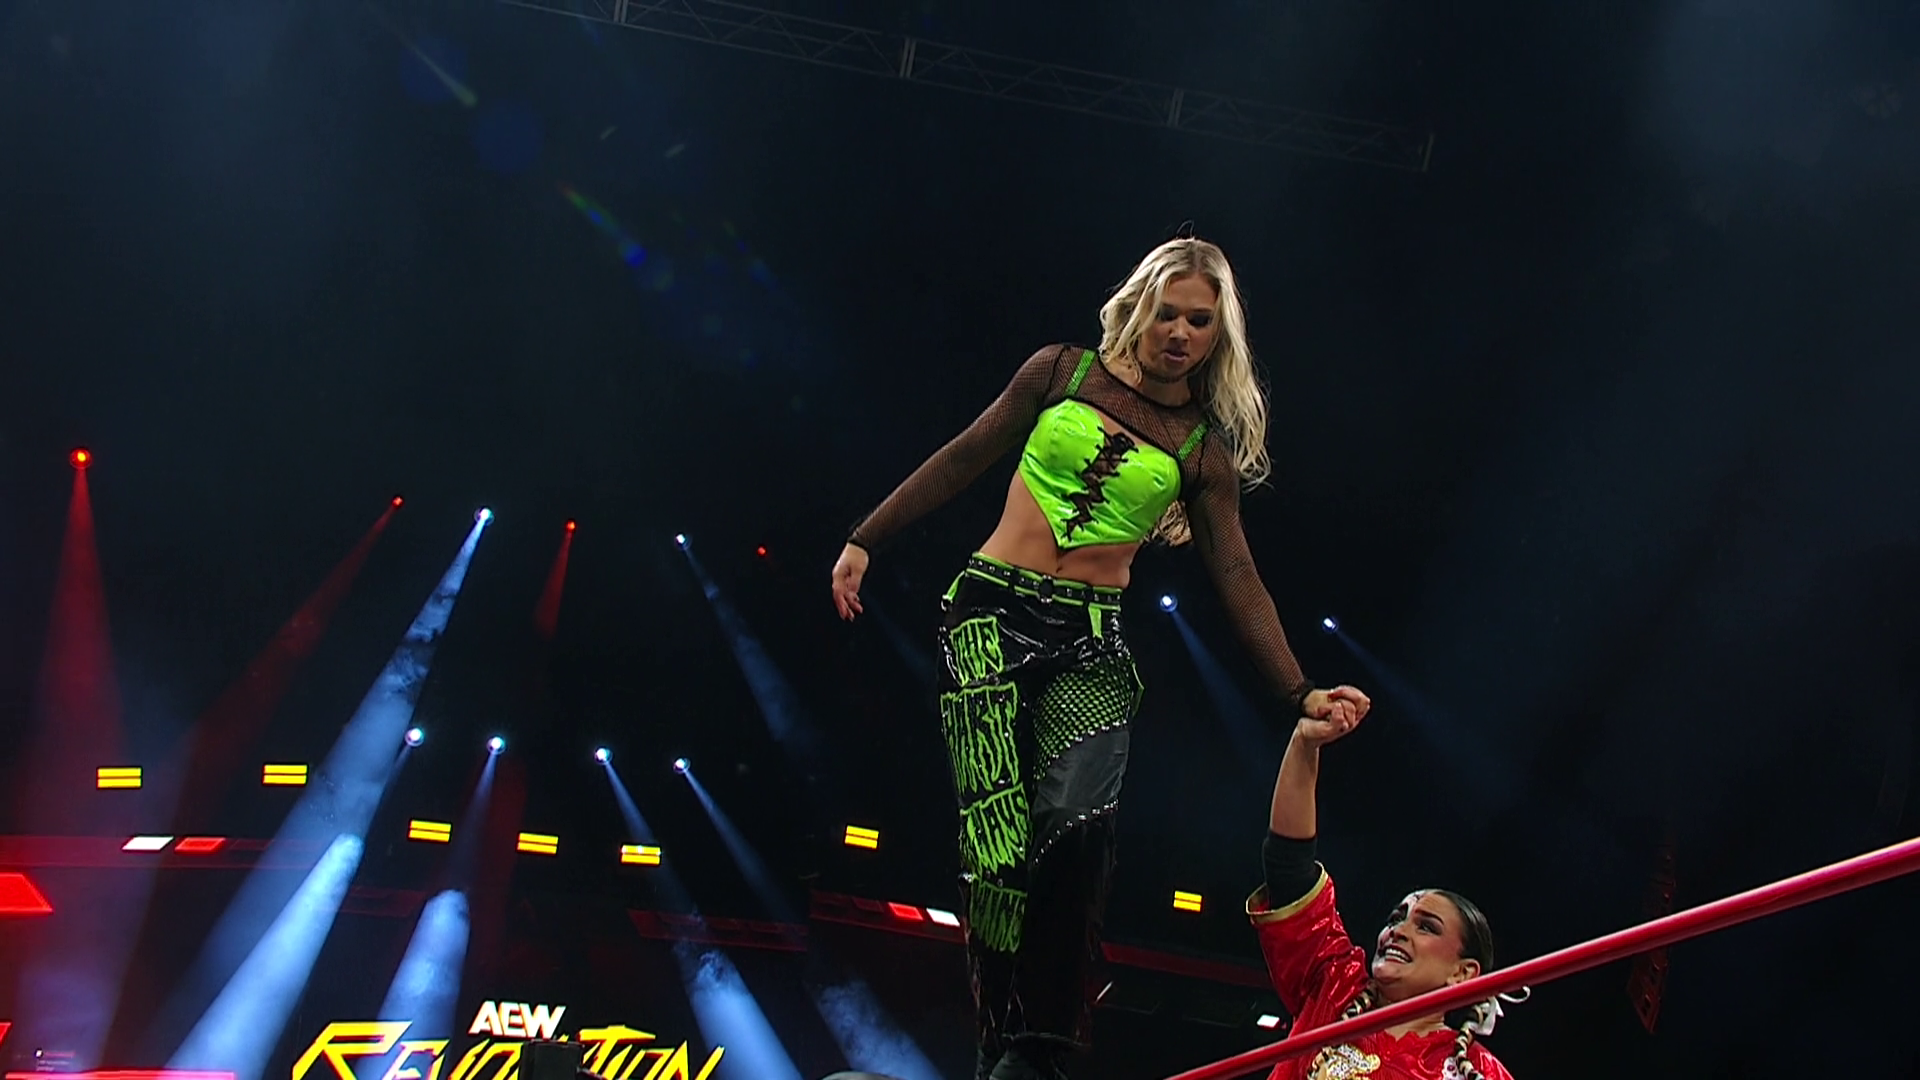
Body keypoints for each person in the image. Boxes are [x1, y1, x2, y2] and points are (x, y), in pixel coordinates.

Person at [829, 236, 1372, 1080]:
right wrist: (867, 537)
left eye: (1200, 321)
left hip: (1090, 638)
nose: (1180, 333)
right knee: (998, 849)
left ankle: (1039, 1046)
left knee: (1078, 829)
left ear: (1218, 335)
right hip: (988, 617)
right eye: (1168, 314)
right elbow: (967, 453)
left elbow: (1236, 574)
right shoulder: (1061, 371)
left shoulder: (1202, 450)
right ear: (1140, 309)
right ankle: (998, 1047)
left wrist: (1298, 690)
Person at [1251, 707, 1517, 1079]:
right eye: (1396, 919)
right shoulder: (1334, 985)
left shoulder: (1481, 1072)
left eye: (1427, 927)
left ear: (1462, 973)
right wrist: (1304, 743)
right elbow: (1289, 869)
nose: (1398, 931)